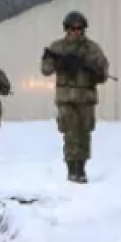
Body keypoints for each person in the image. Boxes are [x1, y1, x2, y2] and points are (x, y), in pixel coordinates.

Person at [40, 11, 110, 183]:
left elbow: (103, 72)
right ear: (67, 29)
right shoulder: (57, 48)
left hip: (86, 97)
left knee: (84, 133)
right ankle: (72, 168)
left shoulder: (92, 49)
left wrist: (91, 69)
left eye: (79, 28)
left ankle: (82, 168)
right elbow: (45, 69)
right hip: (66, 98)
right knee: (70, 133)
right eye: (72, 28)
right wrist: (58, 63)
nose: (76, 31)